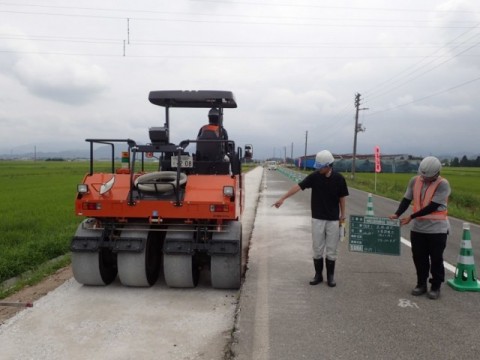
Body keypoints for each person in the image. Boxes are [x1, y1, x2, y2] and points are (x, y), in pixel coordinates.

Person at [273, 150, 349, 287]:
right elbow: (298, 186)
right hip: (318, 218)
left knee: (332, 249)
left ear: (328, 166)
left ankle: (330, 277)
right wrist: (282, 198)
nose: (318, 169)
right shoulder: (314, 177)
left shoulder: (339, 179)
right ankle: (318, 275)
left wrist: (342, 215)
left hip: (333, 219)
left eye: (321, 167)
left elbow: (342, 197)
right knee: (317, 248)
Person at [389, 156, 451, 300]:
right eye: (423, 175)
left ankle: (435, 286)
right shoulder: (415, 180)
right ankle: (421, 284)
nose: (425, 178)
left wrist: (411, 217)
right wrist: (397, 213)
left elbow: (433, 206)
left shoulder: (443, 184)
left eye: (428, 176)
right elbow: (407, 199)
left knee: (436, 258)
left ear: (437, 173)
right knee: (419, 258)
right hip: (418, 229)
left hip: (437, 229)